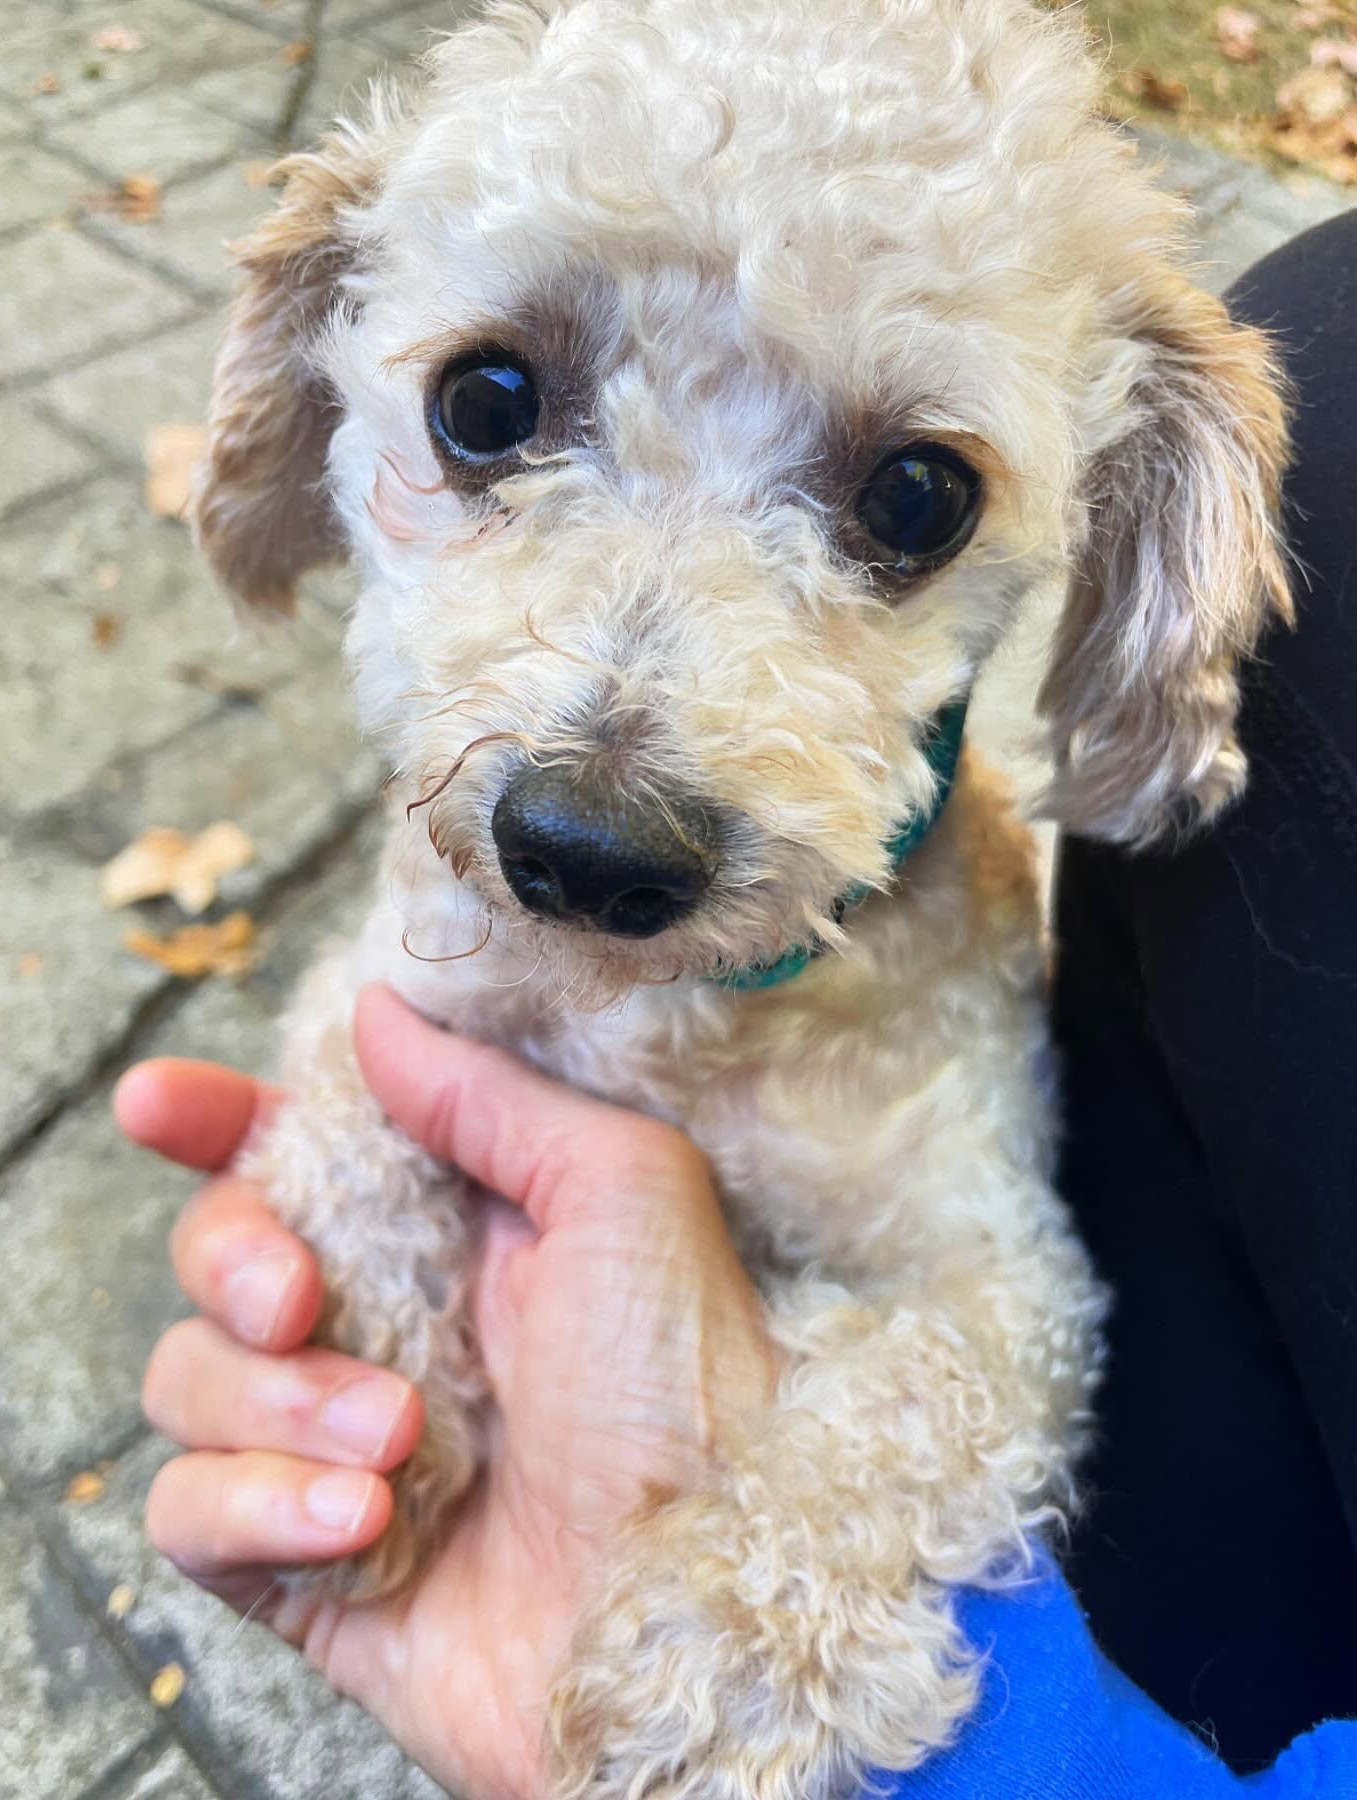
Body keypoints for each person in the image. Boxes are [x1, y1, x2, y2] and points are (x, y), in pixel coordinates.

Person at [119, 215, 1357, 1796]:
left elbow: (993, 1312)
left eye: (904, 503)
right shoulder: (455, 869)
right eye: (494, 412)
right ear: (331, 350)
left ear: (1135, 488)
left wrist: (820, 1592)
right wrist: (366, 1240)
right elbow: (357, 1053)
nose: (607, 781)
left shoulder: (946, 967)